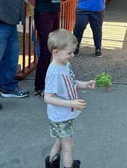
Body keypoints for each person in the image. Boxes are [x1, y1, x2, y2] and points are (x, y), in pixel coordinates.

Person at [29, 0, 80, 97]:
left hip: (55, 13)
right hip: (43, 14)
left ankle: (52, 82)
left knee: (56, 50)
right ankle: (40, 86)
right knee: (46, 51)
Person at [44, 29, 96, 168]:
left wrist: (85, 84)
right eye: (69, 53)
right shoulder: (54, 72)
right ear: (56, 52)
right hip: (60, 117)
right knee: (68, 148)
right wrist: (71, 103)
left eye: (73, 51)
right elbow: (48, 98)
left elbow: (71, 82)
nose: (72, 55)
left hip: (64, 115)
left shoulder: (65, 64)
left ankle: (51, 163)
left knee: (59, 142)